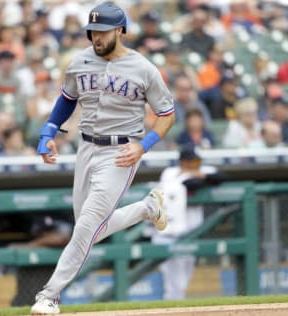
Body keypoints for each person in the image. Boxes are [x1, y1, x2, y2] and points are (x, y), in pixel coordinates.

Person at [31, 2, 175, 314]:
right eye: (93, 30)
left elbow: (166, 113)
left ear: (120, 30)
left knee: (85, 228)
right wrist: (48, 132)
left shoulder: (144, 68)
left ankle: (49, 295)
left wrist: (144, 145)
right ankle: (146, 208)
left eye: (103, 30)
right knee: (90, 229)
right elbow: (66, 100)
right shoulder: (80, 61)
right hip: (86, 148)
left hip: (121, 152)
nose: (97, 36)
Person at [152, 145, 223, 300]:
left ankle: (174, 307)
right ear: (183, 162)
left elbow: (220, 178)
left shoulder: (200, 170)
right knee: (173, 283)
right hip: (168, 234)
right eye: (192, 161)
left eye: (197, 161)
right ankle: (171, 309)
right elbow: (191, 184)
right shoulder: (170, 173)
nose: (196, 164)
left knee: (183, 280)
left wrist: (199, 174)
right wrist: (202, 177)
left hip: (190, 234)